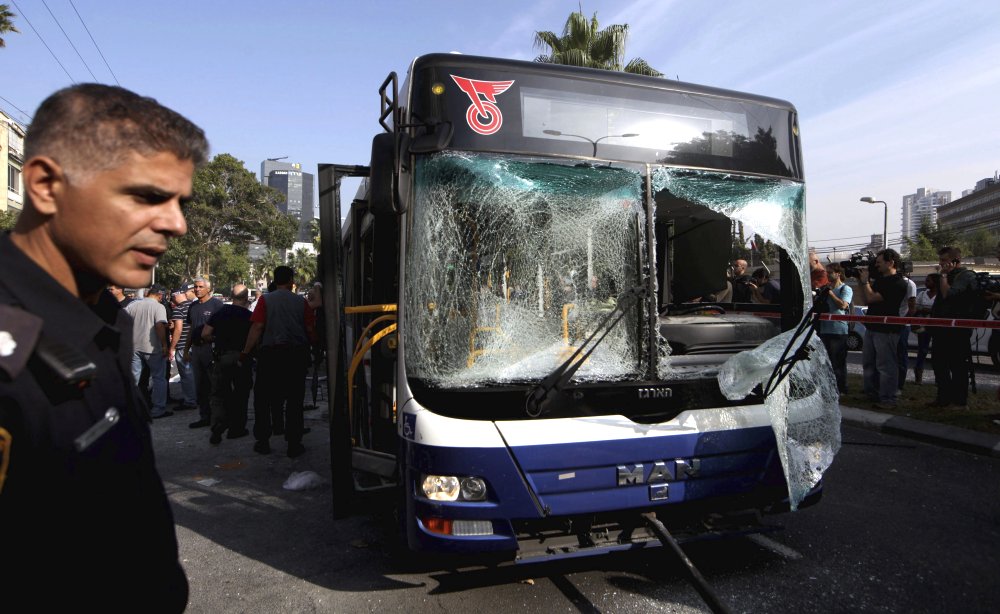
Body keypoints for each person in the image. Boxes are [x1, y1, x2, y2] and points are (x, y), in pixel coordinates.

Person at [0, 83, 206, 611]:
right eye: (146, 196)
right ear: (45, 186)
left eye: (179, 203)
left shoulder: (103, 315)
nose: (176, 224)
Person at [242, 266, 316, 458]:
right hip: (296, 356)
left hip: (271, 356)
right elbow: (310, 329)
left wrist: (246, 351)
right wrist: (314, 349)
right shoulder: (301, 302)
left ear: (274, 281)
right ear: (291, 280)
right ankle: (294, 443)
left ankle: (263, 441)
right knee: (294, 400)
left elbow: (257, 327)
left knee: (263, 400)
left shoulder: (265, 300)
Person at [202, 283, 254, 443]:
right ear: (246, 298)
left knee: (219, 393)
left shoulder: (220, 313)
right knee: (241, 393)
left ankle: (218, 424)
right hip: (242, 357)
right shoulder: (249, 316)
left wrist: (217, 339)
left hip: (222, 357)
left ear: (232, 297)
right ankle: (236, 428)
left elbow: (205, 334)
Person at [857, 249, 908, 409]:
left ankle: (888, 399)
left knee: (886, 366)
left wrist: (865, 282)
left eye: (879, 262)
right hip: (872, 326)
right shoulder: (880, 280)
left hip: (887, 330)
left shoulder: (898, 283)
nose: (876, 265)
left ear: (890, 263)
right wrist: (861, 282)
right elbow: (866, 300)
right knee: (869, 363)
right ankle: (871, 393)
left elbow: (872, 297)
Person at [929, 246, 978, 409]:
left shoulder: (965, 276)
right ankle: (943, 398)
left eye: (944, 260)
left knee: (957, 366)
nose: (941, 263)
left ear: (955, 260)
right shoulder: (947, 276)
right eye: (940, 260)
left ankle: (959, 401)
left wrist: (943, 276)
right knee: (939, 364)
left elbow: (948, 295)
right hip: (941, 328)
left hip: (957, 330)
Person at [126, 284, 172, 419]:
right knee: (159, 378)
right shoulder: (158, 307)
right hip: (152, 348)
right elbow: (159, 325)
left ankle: (133, 408)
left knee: (135, 379)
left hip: (134, 346)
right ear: (160, 295)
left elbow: (122, 320)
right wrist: (164, 345)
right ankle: (158, 409)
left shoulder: (133, 305)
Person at [185, 276, 224, 429]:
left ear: (208, 289)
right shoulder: (193, 306)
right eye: (195, 287)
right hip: (197, 350)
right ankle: (204, 416)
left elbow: (222, 328)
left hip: (211, 349)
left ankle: (219, 418)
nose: (197, 289)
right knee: (200, 385)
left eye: (200, 287)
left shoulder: (217, 305)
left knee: (215, 385)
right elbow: (190, 329)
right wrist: (186, 349)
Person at [818, 263, 853, 394]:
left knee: (838, 362)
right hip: (824, 329)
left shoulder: (845, 289)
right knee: (826, 362)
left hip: (838, 330)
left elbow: (843, 305)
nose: (827, 275)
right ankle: (829, 388)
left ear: (838, 274)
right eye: (826, 272)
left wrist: (831, 294)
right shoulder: (826, 288)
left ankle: (841, 388)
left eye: (830, 272)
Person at [169, 284, 198, 410]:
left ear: (176, 296)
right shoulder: (194, 306)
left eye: (172, 297)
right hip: (195, 345)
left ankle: (190, 401)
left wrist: (172, 347)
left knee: (186, 376)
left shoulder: (178, 309)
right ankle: (196, 397)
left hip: (182, 345)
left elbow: (178, 329)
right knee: (195, 374)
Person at [913, 273, 939, 385]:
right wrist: (928, 310)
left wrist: (925, 309)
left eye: (928, 281)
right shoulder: (922, 294)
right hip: (923, 327)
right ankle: (918, 377)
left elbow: (939, 310)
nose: (926, 282)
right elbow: (915, 307)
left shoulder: (940, 295)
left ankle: (939, 378)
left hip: (937, 327)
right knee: (922, 351)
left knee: (937, 352)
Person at [896, 273, 918, 392]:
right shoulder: (889, 281)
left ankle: (899, 384)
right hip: (890, 323)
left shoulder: (909, 284)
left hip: (902, 325)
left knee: (901, 354)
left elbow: (912, 307)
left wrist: (904, 321)